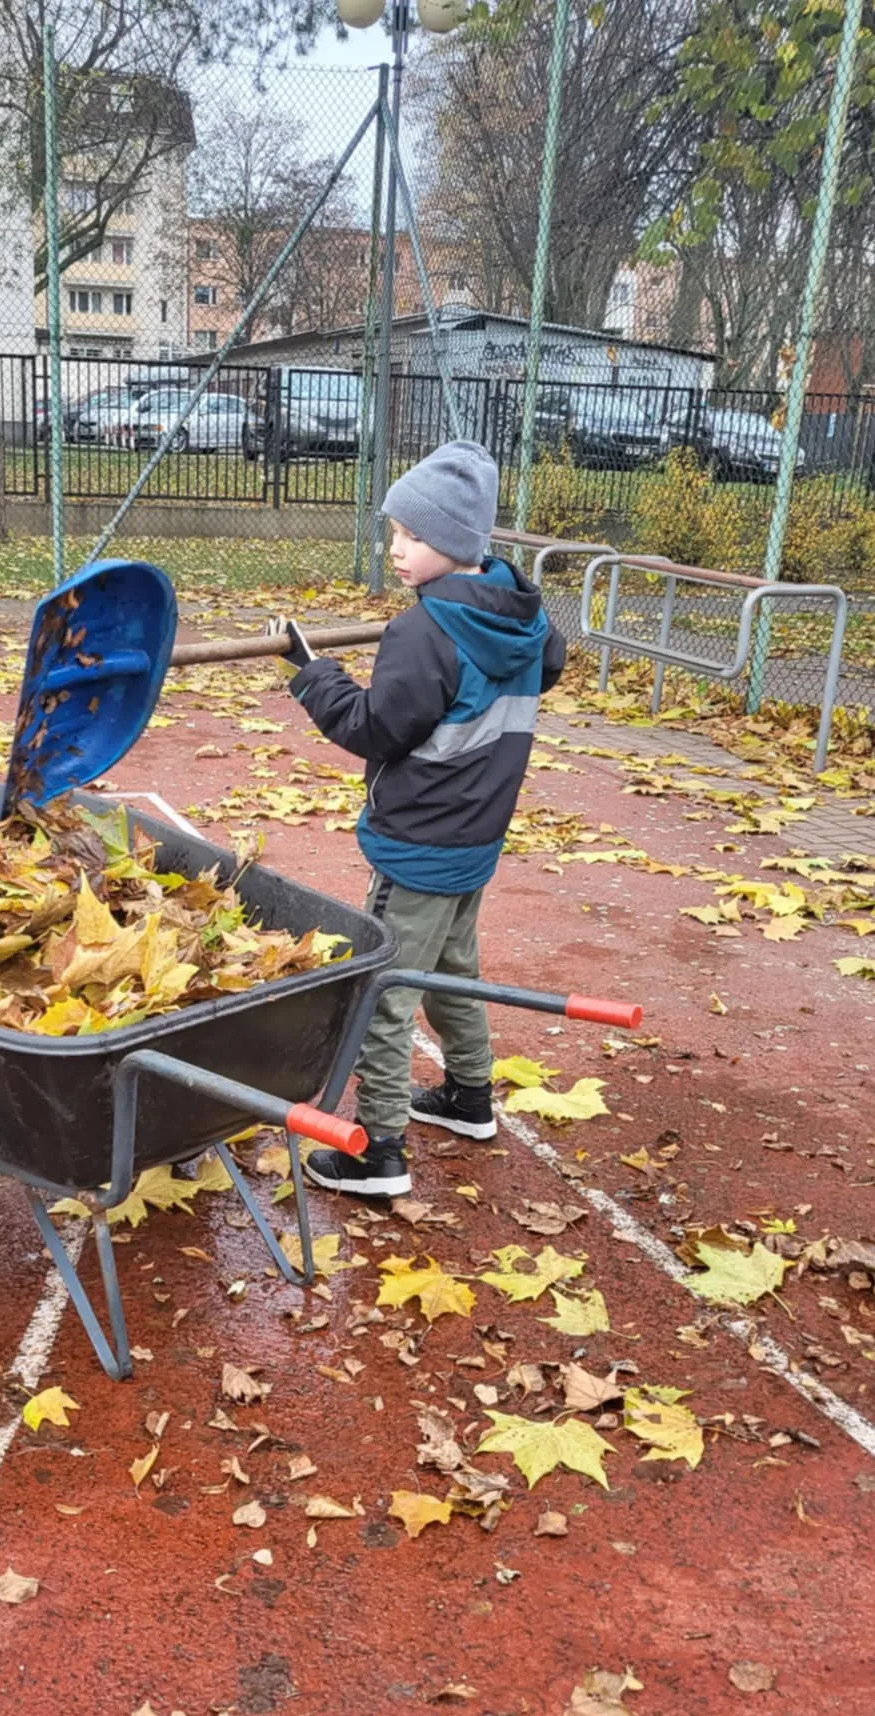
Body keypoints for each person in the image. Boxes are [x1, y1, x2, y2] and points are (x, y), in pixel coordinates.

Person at [275, 437, 565, 1199]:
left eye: (411, 536)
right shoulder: (526, 616)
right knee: (454, 967)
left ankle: (379, 1153)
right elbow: (549, 667)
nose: (396, 550)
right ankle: (469, 1097)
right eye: (395, 533)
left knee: (385, 990)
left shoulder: (424, 631)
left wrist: (314, 673)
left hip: (419, 845)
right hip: (476, 837)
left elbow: (373, 729)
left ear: (453, 543)